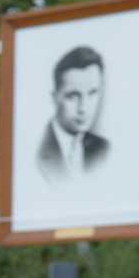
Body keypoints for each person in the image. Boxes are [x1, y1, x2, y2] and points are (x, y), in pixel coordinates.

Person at [37, 45, 110, 184]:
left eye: (92, 93)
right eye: (73, 96)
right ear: (55, 97)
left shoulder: (104, 149)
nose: (83, 108)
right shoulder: (35, 152)